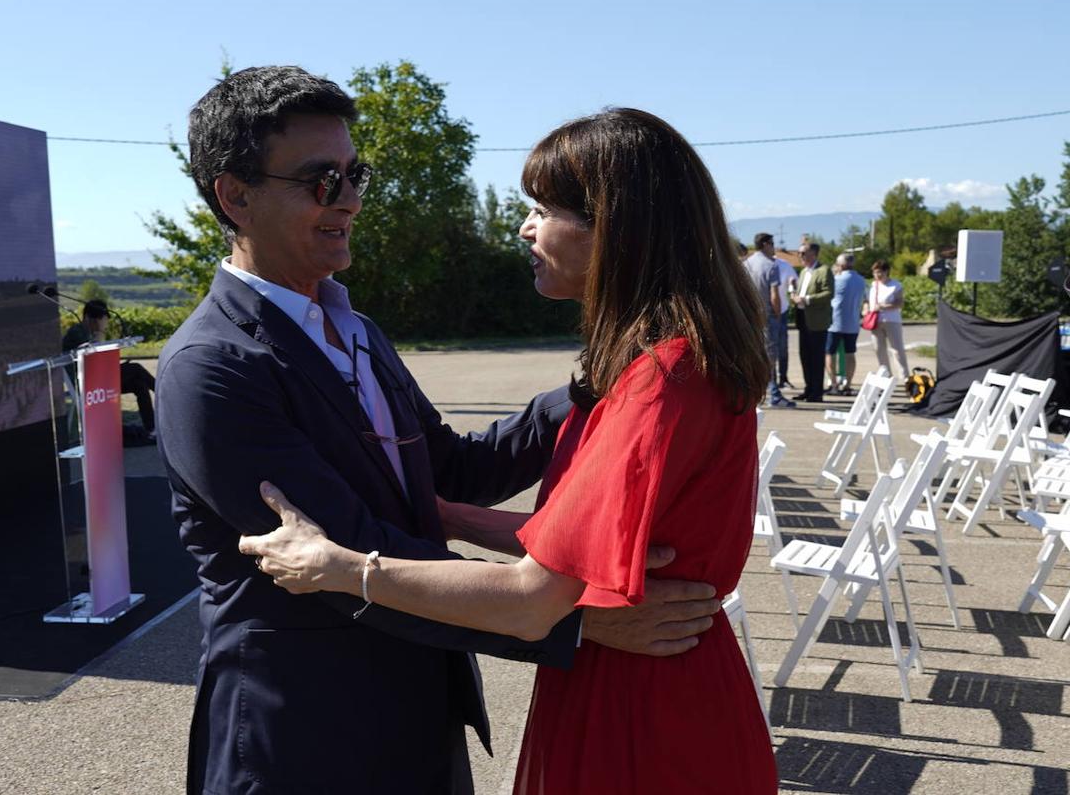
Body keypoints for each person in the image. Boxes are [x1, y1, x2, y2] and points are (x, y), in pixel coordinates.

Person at [154, 68, 720, 795]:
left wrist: (589, 388)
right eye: (322, 181)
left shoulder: (352, 328)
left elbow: (450, 470)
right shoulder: (212, 368)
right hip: (305, 735)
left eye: (356, 173)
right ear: (234, 195)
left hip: (417, 713)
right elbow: (340, 555)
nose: (351, 199)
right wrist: (565, 621)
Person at [62, 299, 156, 437]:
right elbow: (92, 356)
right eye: (99, 320)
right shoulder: (77, 332)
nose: (103, 323)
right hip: (87, 384)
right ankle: (164, 392)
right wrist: (99, 336)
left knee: (139, 384)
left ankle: (151, 429)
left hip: (97, 378)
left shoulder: (91, 333)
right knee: (135, 368)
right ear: (88, 317)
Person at [744, 232, 794, 408]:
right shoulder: (771, 265)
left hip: (752, 316)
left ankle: (759, 391)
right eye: (772, 243)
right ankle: (773, 393)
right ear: (765, 244)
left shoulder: (747, 263)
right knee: (771, 354)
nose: (774, 247)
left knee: (756, 353)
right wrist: (778, 313)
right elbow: (774, 296)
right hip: (768, 315)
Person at [791, 241, 833, 402]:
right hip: (803, 319)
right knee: (805, 356)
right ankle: (808, 389)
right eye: (799, 253)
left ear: (814, 254)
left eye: (803, 253)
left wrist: (806, 299)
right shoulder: (803, 272)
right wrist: (795, 296)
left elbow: (829, 293)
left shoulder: (824, 271)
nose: (800, 256)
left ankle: (817, 392)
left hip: (817, 321)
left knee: (816, 358)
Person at [826, 253, 866, 395]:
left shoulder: (837, 279)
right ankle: (848, 384)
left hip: (835, 321)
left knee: (830, 353)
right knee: (850, 353)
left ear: (841, 265)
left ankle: (834, 384)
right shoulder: (861, 280)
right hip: (853, 322)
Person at [865, 259, 909, 378]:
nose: (877, 275)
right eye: (875, 273)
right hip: (876, 321)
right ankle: (885, 375)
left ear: (886, 271)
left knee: (897, 349)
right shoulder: (873, 285)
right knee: (879, 350)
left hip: (892, 320)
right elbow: (867, 301)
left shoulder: (896, 285)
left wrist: (885, 306)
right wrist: (866, 309)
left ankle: (905, 377)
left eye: (880, 272)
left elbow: (900, 303)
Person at [775, 251, 799, 388]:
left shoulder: (784, 265)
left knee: (783, 348)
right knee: (767, 350)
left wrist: (793, 288)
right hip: (763, 312)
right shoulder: (755, 264)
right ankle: (769, 381)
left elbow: (793, 282)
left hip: (782, 311)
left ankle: (782, 377)